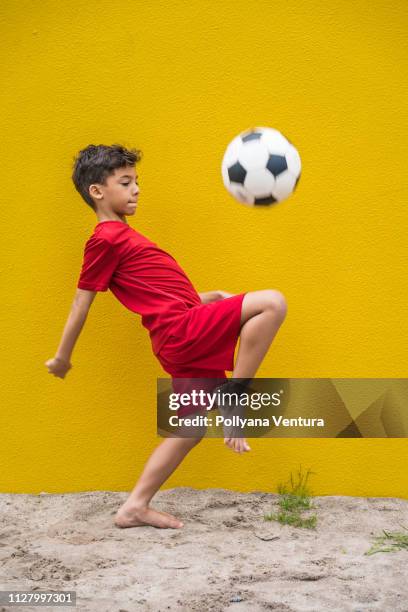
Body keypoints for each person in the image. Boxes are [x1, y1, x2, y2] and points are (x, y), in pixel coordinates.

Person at [45, 144, 288, 529]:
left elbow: (157, 295)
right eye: (126, 182)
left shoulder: (124, 237)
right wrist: (62, 356)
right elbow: (81, 302)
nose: (136, 189)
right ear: (97, 191)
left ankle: (134, 507)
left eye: (137, 181)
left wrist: (206, 299)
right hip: (181, 333)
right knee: (272, 303)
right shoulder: (105, 238)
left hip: (179, 332)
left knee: (188, 430)